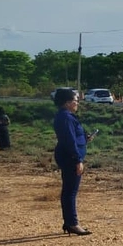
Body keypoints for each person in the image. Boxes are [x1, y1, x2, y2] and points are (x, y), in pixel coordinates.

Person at [53, 89, 93, 235]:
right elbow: (69, 140)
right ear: (68, 102)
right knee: (70, 192)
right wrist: (77, 160)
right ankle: (72, 223)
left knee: (69, 191)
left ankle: (70, 222)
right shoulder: (66, 118)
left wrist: (84, 139)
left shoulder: (66, 116)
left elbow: (73, 137)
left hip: (69, 155)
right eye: (75, 100)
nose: (77, 103)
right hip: (70, 157)